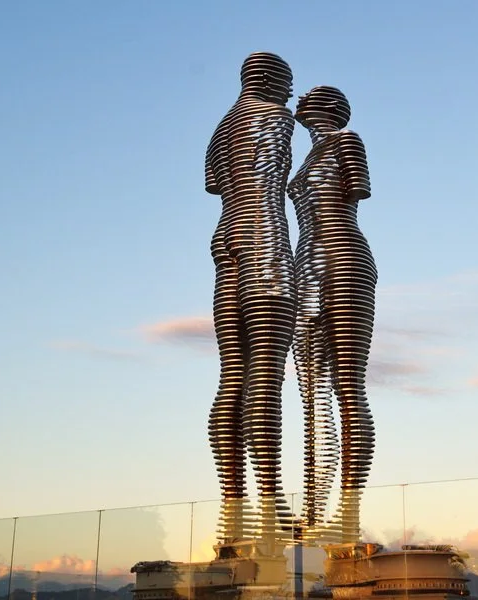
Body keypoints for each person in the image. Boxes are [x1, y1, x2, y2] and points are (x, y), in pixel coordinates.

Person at [204, 52, 296, 546]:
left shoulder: (221, 127)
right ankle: (270, 504)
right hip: (264, 236)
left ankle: (232, 506)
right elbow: (273, 181)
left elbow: (213, 183)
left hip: (225, 239)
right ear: (269, 78)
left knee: (231, 374)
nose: (290, 92)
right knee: (265, 370)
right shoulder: (275, 117)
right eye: (287, 81)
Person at [288, 85, 376, 542]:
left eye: (309, 95)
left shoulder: (347, 141)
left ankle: (348, 512)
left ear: (329, 107)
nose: (299, 99)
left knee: (347, 386)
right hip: (306, 265)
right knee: (311, 394)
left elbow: (356, 193)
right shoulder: (305, 158)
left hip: (344, 260)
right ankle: (312, 511)